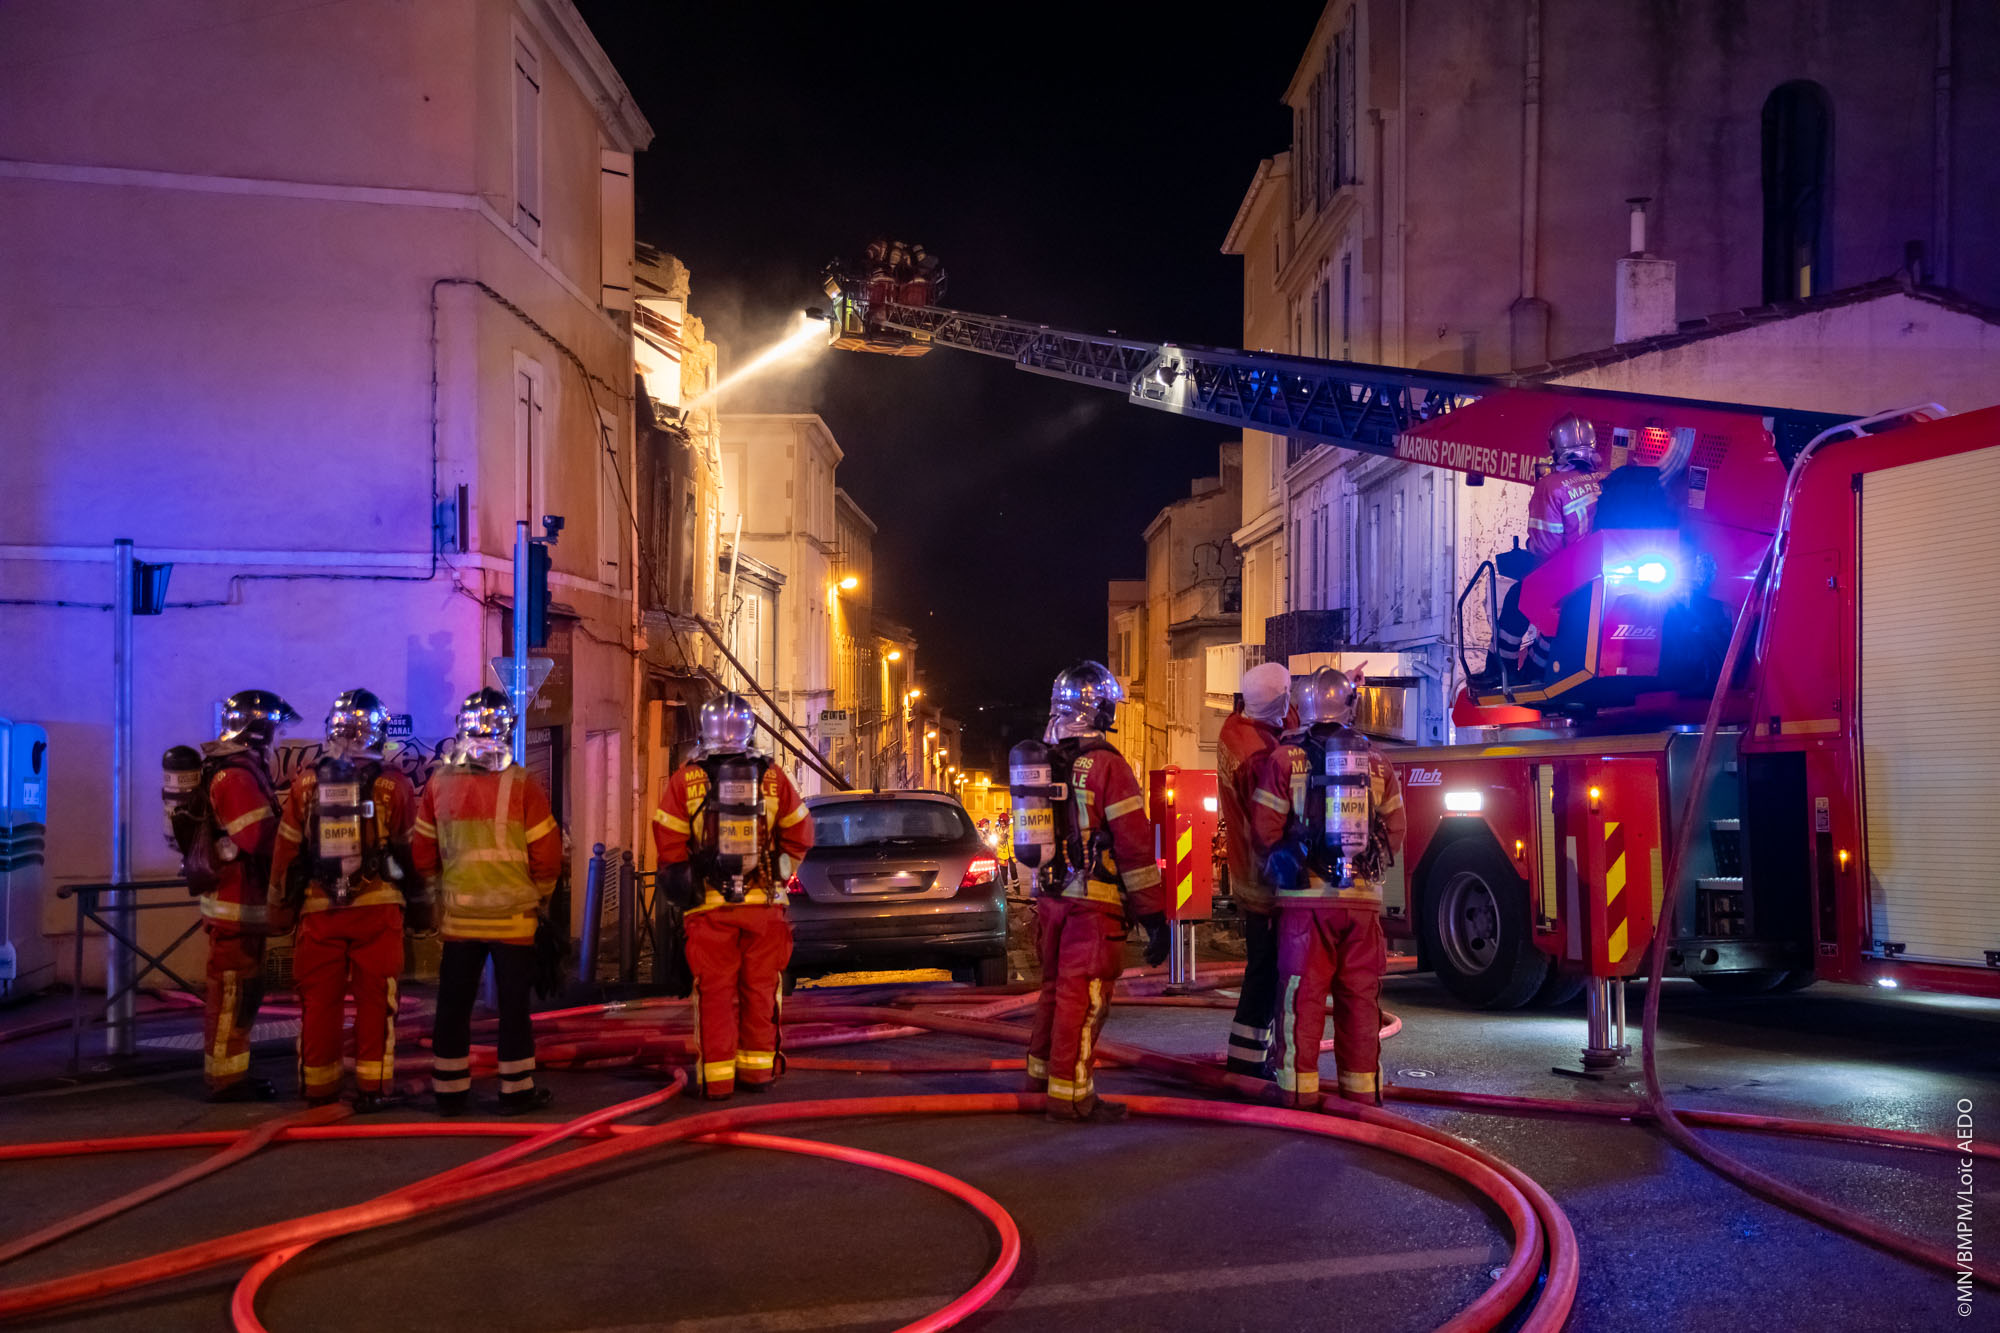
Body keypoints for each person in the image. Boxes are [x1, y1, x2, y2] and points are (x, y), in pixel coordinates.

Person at [1251, 667, 1406, 1109]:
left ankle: (1298, 1095)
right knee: (1360, 1000)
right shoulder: (1377, 761)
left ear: (1305, 707)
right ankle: (1361, 1097)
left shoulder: (1284, 759)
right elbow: (1395, 829)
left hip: (1305, 906)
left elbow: (1265, 828)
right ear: (1349, 707)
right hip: (1362, 906)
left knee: (1303, 998)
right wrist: (1363, 869)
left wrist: (1288, 864)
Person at [1024, 662, 1167, 1123]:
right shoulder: (1107, 766)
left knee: (1052, 991)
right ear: (1101, 708)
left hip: (1049, 898)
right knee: (1083, 1000)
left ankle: (1039, 1082)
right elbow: (1134, 846)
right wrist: (1152, 915)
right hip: (1094, 903)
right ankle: (1072, 1097)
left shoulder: (1041, 761)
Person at [652, 693, 814, 1100]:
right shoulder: (773, 777)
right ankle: (758, 1072)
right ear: (750, 729)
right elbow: (801, 834)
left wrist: (687, 881)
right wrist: (779, 871)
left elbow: (668, 844)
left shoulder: (684, 780)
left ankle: (718, 1080)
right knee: (761, 991)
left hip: (708, 911)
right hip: (764, 909)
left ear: (704, 731)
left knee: (714, 994)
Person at [268, 690, 420, 1110]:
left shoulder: (305, 783)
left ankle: (318, 1087)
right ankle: (372, 1089)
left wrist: (279, 909)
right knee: (376, 1001)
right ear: (377, 733)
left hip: (319, 911)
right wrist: (422, 905)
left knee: (319, 1002)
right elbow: (410, 851)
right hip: (378, 909)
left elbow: (286, 852)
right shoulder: (395, 784)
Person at [413, 689, 562, 1116]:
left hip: (460, 920)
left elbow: (423, 856)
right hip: (514, 920)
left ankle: (449, 1091)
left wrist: (436, 894)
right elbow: (547, 857)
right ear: (508, 730)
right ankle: (516, 1091)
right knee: (515, 1010)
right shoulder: (522, 785)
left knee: (454, 1005)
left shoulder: (438, 784)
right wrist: (543, 899)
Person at [180, 690, 298, 1101]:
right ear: (260, 729)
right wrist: (300, 836)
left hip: (239, 906)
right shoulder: (237, 776)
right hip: (236, 907)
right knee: (234, 995)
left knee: (241, 994)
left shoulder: (239, 770)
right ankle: (226, 1081)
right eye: (277, 729)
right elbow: (259, 837)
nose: (280, 738)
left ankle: (232, 1073)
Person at [1473, 413, 1605, 685]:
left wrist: (1528, 559)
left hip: (1568, 572)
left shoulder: (1550, 486)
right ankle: (1535, 668)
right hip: (1597, 576)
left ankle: (1500, 669)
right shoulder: (1602, 482)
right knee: (1552, 615)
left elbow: (1546, 547)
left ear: (1556, 447)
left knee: (1517, 599)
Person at [1216, 661, 1290, 1079]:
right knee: (1267, 973)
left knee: (1261, 968)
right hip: (1267, 880)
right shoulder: (1259, 758)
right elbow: (1271, 823)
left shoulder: (1236, 728)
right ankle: (1247, 1067)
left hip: (1249, 875)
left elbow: (1280, 713)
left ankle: (1247, 1059)